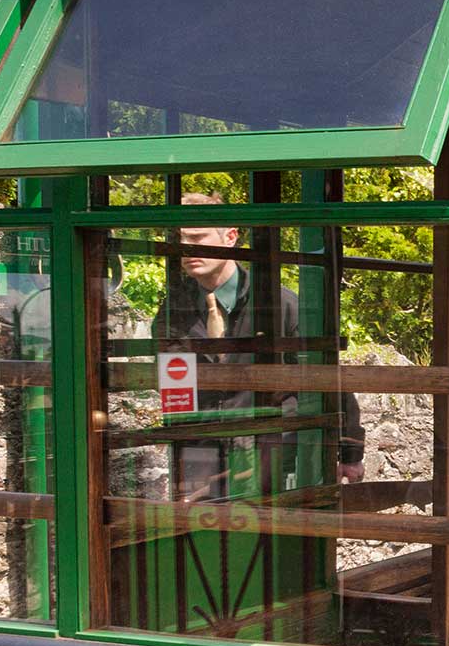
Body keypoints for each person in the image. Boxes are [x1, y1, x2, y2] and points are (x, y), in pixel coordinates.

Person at [152, 197, 365, 502]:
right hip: (202, 457)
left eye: (197, 238)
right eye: (179, 239)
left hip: (274, 450)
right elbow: (174, 388)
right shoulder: (173, 311)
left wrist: (350, 451)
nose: (186, 248)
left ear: (231, 236)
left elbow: (330, 381)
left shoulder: (282, 304)